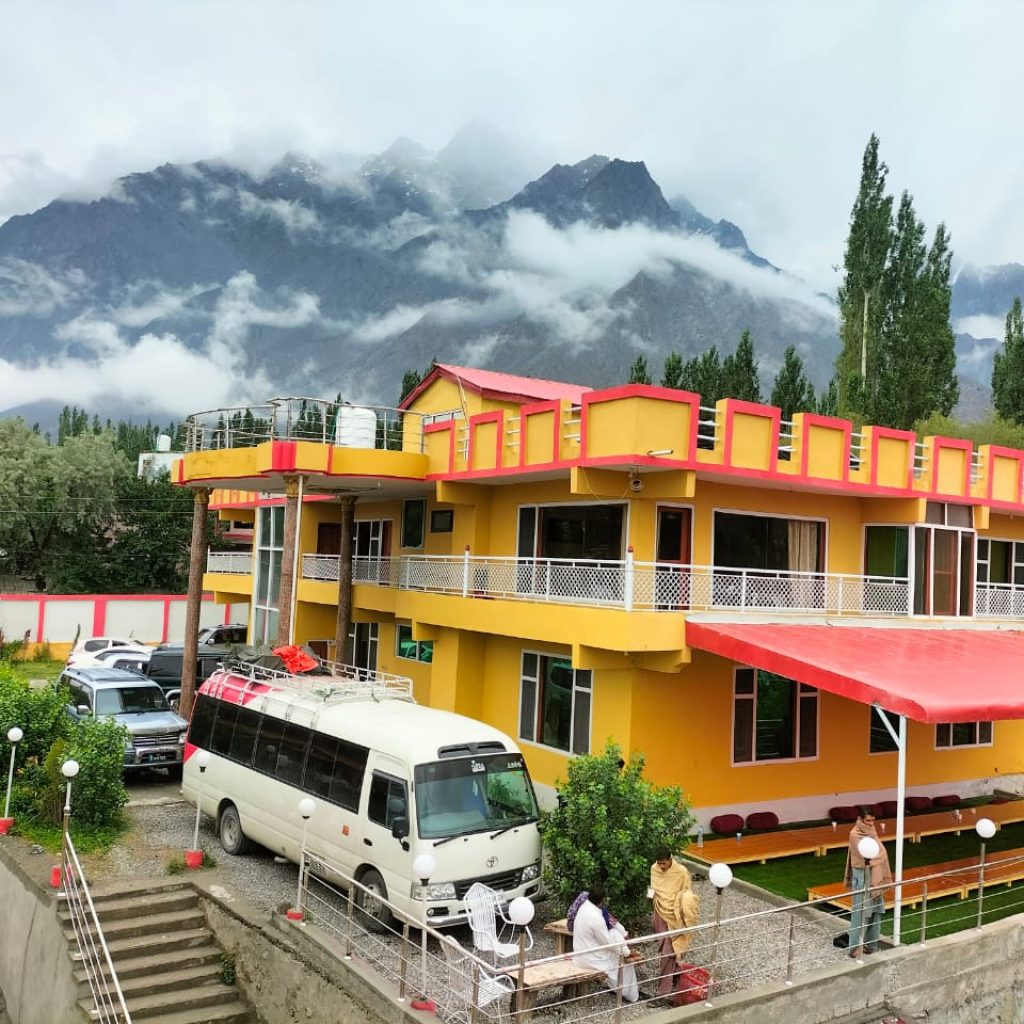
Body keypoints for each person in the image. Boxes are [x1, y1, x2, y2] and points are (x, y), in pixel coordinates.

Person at [572, 887, 640, 1003]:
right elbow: (608, 944)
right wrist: (628, 952)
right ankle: (630, 995)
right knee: (622, 961)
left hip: (580, 953)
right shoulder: (596, 918)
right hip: (590, 959)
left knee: (615, 935)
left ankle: (622, 988)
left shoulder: (584, 907)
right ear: (603, 900)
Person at [649, 847, 700, 998]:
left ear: (670, 860)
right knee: (666, 950)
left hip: (675, 918)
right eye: (659, 863)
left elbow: (687, 894)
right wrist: (649, 896)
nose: (661, 866)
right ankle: (677, 974)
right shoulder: (654, 868)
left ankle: (662, 993)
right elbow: (654, 888)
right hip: (659, 912)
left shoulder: (681, 872)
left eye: (664, 863)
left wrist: (685, 917)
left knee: (668, 954)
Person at [843, 806, 891, 957]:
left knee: (876, 911)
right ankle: (854, 947)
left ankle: (871, 944)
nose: (871, 824)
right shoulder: (854, 834)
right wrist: (879, 854)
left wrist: (879, 854)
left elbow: (880, 851)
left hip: (875, 876)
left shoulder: (871, 830)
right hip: (861, 877)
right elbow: (868, 856)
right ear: (860, 819)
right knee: (860, 912)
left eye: (873, 821)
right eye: (868, 821)